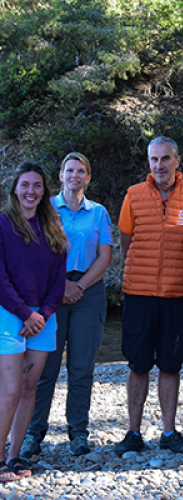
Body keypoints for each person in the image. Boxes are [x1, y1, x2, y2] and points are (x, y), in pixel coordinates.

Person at [114, 137, 183, 456]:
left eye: (165, 159)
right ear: (148, 162)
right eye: (154, 160)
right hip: (139, 294)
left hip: (178, 292)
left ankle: (169, 431)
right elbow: (126, 242)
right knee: (138, 364)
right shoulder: (134, 195)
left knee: (171, 364)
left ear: (177, 161)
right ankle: (133, 432)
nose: (159, 166)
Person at [21, 153, 113, 459]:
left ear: (88, 177)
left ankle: (78, 432)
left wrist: (80, 286)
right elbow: (36, 254)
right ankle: (35, 432)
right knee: (43, 367)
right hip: (50, 293)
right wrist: (61, 287)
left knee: (81, 367)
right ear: (60, 176)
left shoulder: (98, 212)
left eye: (81, 171)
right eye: (69, 170)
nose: (75, 175)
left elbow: (105, 256)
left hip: (89, 292)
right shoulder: (46, 210)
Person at [0, 163, 67, 482]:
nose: (31, 191)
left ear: (44, 191)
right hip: (10, 313)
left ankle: (15, 456)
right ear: (15, 189)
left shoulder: (53, 228)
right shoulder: (2, 225)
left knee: (29, 389)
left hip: (44, 317)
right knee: (10, 390)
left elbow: (59, 279)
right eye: (25, 185)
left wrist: (43, 312)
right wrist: (24, 313)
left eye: (37, 185)